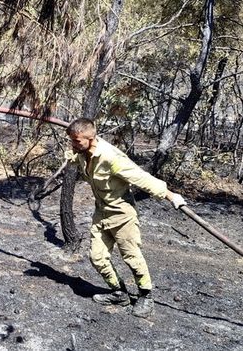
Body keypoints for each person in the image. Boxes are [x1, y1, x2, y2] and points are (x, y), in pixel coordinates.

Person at [65, 118, 187, 318]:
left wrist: (171, 196)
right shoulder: (82, 151)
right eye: (72, 141)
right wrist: (73, 152)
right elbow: (74, 157)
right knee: (97, 257)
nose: (73, 145)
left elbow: (141, 177)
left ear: (91, 138)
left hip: (122, 215)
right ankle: (119, 293)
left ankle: (146, 296)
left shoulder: (111, 157)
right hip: (101, 213)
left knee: (132, 257)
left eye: (77, 141)